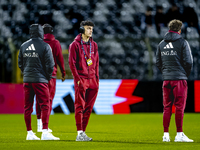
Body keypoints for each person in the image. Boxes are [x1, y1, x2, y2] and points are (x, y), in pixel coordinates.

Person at [18, 24, 59, 140]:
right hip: (40, 80)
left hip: (27, 80)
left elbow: (20, 63)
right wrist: (46, 77)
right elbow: (51, 65)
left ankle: (29, 133)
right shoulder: (45, 46)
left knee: (27, 107)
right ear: (41, 32)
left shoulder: (23, 46)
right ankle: (45, 132)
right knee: (45, 105)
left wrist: (26, 73)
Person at [156, 19, 193, 142]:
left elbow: (158, 63)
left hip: (166, 80)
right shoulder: (182, 42)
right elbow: (188, 62)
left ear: (169, 29)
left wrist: (166, 73)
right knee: (179, 107)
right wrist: (184, 74)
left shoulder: (161, 44)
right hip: (179, 79)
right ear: (179, 30)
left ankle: (165, 135)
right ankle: (179, 134)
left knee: (166, 107)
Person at [68, 20, 99, 141]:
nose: (91, 31)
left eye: (91, 28)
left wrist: (97, 79)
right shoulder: (74, 45)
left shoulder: (94, 45)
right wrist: (77, 79)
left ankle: (83, 133)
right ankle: (79, 132)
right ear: (82, 30)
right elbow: (72, 63)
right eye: (88, 28)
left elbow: (96, 63)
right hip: (81, 79)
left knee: (89, 108)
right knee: (80, 106)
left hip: (93, 81)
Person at [36, 24, 66, 132]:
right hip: (50, 76)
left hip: (38, 75)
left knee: (39, 99)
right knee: (48, 100)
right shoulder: (55, 43)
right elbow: (59, 58)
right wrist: (63, 72)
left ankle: (39, 125)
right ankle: (45, 127)